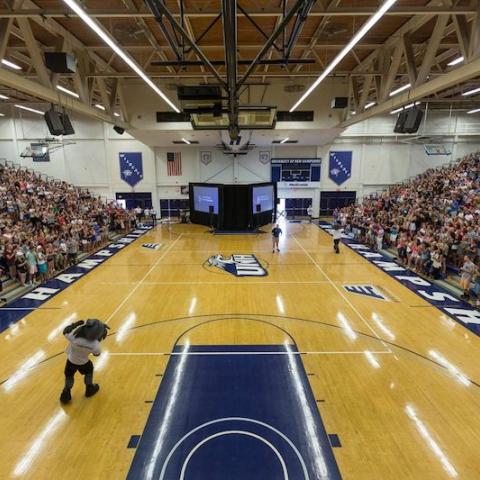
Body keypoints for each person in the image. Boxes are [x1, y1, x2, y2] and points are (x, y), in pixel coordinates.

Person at [60, 319, 110, 404]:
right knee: (89, 371)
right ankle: (89, 388)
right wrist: (98, 339)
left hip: (71, 361)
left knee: (69, 376)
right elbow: (96, 354)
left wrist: (74, 324)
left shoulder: (74, 336)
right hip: (84, 362)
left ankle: (66, 393)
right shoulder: (95, 345)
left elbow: (65, 331)